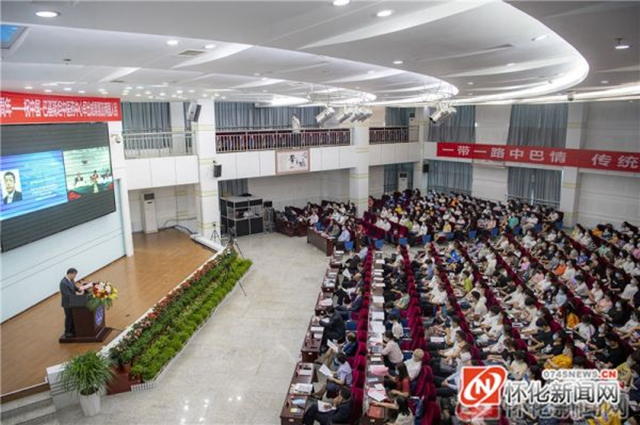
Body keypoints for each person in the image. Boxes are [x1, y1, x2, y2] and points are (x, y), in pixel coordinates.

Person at [60, 268, 81, 337]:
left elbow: (74, 287)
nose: (75, 276)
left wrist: (79, 289)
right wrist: (77, 298)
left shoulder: (71, 280)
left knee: (73, 316)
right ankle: (67, 331)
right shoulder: (63, 283)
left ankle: (73, 329)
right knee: (69, 317)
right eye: (74, 275)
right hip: (67, 303)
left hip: (73, 301)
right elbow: (67, 295)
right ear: (70, 274)